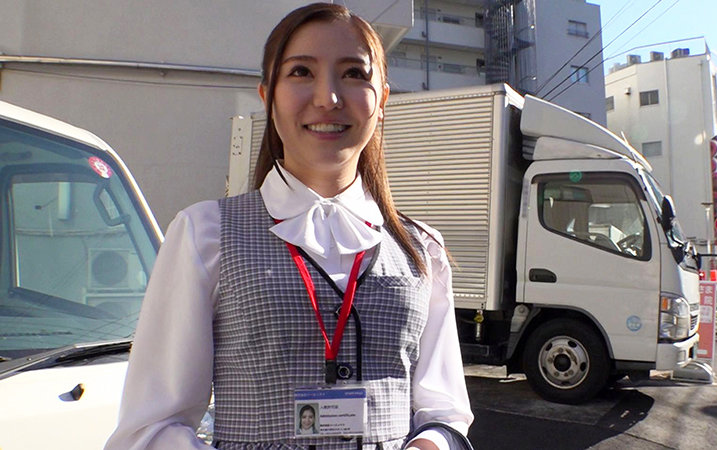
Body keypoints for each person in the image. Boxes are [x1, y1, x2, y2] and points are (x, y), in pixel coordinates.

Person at [104, 3, 473, 450]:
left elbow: (445, 413)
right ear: (268, 97)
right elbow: (151, 427)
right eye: (301, 72)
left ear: (382, 101)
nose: (328, 97)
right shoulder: (205, 234)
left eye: (354, 73)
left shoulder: (421, 248)